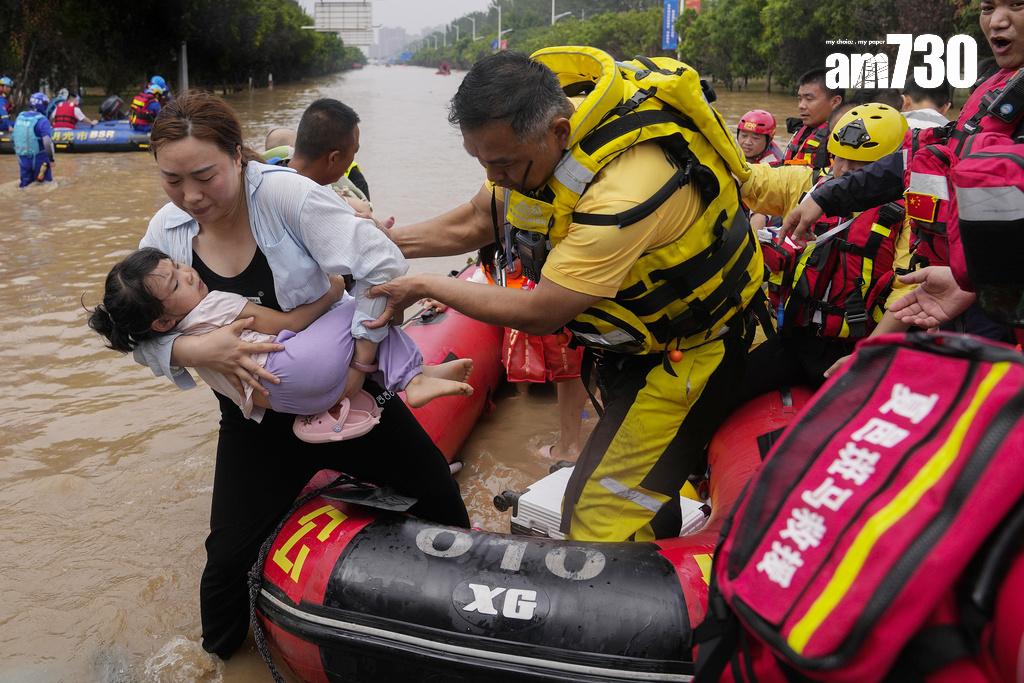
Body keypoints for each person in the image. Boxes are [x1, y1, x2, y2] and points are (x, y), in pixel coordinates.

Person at [127, 91, 469, 659]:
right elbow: (138, 329)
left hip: (351, 399)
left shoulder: (288, 197)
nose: (190, 196)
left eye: (204, 176)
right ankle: (221, 664)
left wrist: (361, 365)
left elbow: (382, 264)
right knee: (226, 560)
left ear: (238, 155)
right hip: (255, 420)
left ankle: (459, 641)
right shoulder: (166, 233)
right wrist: (200, 350)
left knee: (440, 499)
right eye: (172, 180)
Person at [375, 48, 765, 543]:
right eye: (481, 162)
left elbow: (543, 311)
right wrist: (385, 243)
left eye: (502, 163)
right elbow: (480, 217)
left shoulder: (625, 192)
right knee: (638, 497)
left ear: (559, 131)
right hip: (630, 350)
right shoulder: (538, 150)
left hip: (692, 354)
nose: (494, 176)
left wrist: (424, 284)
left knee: (596, 512)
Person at [780, 0, 1023, 340]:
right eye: (987, 7)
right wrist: (826, 196)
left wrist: (982, 284)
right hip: (964, 293)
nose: (997, 21)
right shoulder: (996, 90)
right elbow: (927, 155)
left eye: (1018, 5)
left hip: (1000, 308)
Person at [90, 248, 473, 426]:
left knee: (352, 327)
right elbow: (288, 322)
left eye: (178, 265)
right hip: (296, 367)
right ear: (159, 322)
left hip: (285, 402)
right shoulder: (217, 306)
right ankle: (415, 379)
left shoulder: (178, 334)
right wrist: (334, 288)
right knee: (367, 297)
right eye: (176, 282)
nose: (188, 273)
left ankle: (419, 372)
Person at [735, 103, 910, 400]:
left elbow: (906, 292)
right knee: (723, 390)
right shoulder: (810, 183)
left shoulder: (908, 213)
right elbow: (753, 179)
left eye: (857, 167)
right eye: (837, 158)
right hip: (796, 339)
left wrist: (867, 355)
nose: (841, 171)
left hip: (858, 346)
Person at [782, 68, 842, 169]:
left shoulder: (842, 140)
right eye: (800, 99)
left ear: (835, 102)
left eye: (809, 99)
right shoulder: (803, 130)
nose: (801, 106)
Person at [13, 92, 55, 188]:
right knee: (45, 186)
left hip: (22, 159)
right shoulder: (42, 120)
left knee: (25, 186)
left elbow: (14, 137)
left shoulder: (20, 117)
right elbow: (47, 142)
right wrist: (51, 159)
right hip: (40, 160)